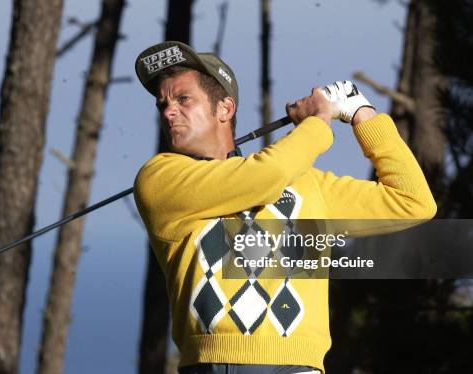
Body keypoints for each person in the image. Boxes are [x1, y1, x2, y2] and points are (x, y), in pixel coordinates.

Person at [132, 41, 436, 374]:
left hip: (297, 366)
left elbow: (412, 201)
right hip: (212, 364)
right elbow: (266, 174)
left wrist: (362, 114)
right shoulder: (160, 177)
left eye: (183, 99)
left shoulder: (308, 185)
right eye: (162, 103)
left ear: (225, 109)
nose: (168, 111)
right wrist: (318, 122)